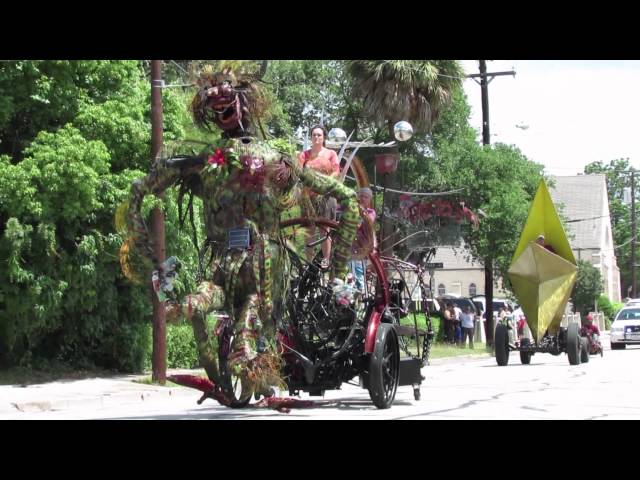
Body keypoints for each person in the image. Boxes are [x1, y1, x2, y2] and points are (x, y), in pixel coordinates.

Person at [298, 125, 341, 267]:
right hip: (308, 197)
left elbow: (336, 172)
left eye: (319, 135)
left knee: (324, 229)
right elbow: (299, 171)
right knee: (308, 230)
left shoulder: (331, 154)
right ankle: (308, 263)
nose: (316, 137)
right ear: (311, 137)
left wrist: (324, 183)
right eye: (314, 135)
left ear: (324, 138)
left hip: (326, 196)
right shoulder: (304, 155)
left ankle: (325, 260)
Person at [350, 187, 377, 291]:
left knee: (359, 277)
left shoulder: (371, 212)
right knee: (348, 276)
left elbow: (367, 221)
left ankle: (359, 299)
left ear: (369, 200)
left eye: (366, 197)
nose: (363, 198)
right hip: (349, 247)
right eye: (361, 196)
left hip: (361, 250)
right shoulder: (351, 209)